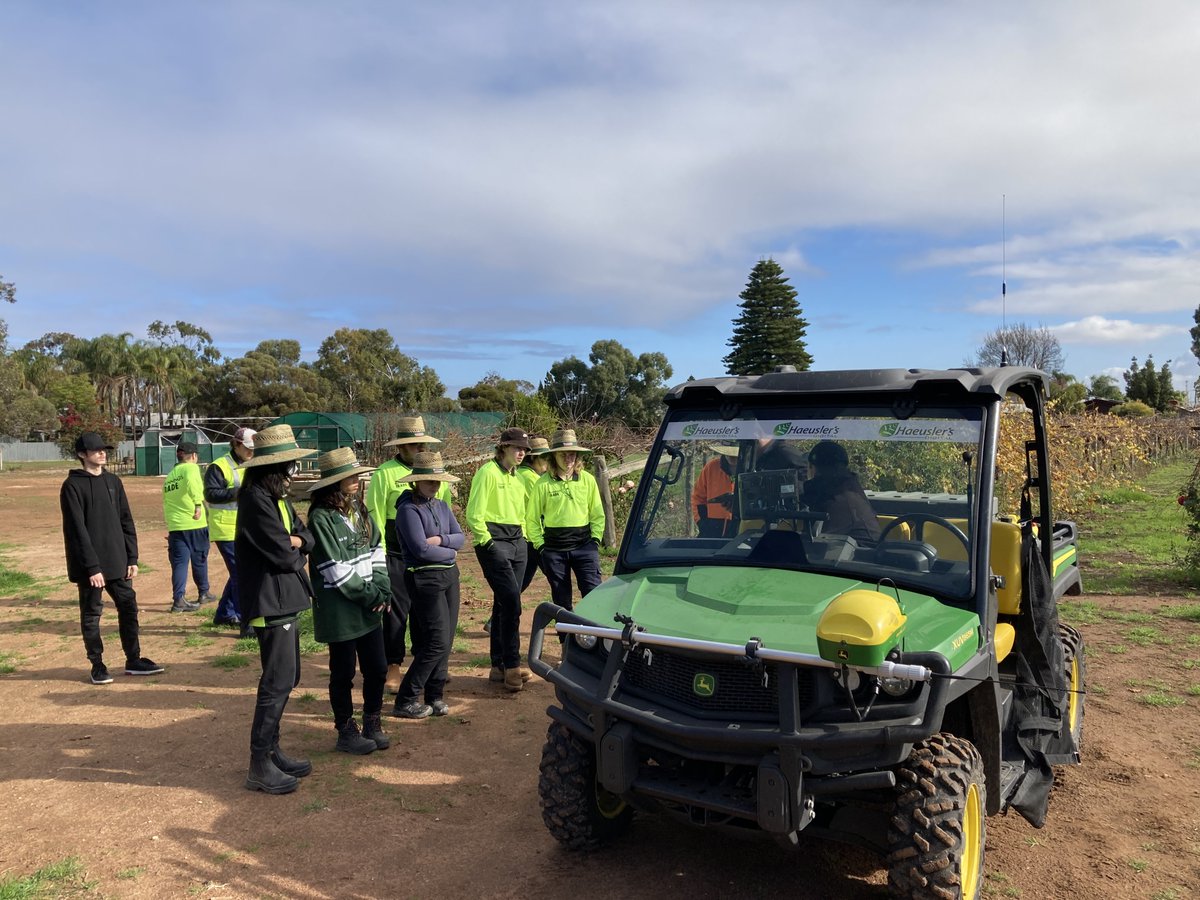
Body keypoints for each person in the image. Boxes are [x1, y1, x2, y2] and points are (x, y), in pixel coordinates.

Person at [236, 424, 317, 795]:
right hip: (270, 600)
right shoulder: (256, 500)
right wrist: (296, 547)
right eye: (289, 465)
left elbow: (306, 537)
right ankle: (259, 763)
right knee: (277, 681)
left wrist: (297, 542)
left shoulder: (276, 498)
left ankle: (272, 750)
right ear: (274, 466)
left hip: (286, 598)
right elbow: (284, 556)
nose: (292, 471)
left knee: (289, 677)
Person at [61, 431, 163, 685]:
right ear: (82, 454)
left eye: (104, 449)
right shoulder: (72, 486)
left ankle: (133, 659)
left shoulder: (113, 481)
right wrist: (92, 567)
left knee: (128, 606)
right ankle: (97, 665)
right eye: (96, 450)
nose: (102, 453)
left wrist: (132, 557)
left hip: (118, 560)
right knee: (92, 614)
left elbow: (126, 520)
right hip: (90, 567)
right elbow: (76, 531)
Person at [306, 447, 391, 754]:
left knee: (377, 668)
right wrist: (372, 596)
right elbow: (335, 569)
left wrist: (382, 587)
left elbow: (377, 548)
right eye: (349, 476)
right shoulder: (320, 518)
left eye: (357, 474)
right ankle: (345, 730)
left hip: (369, 606)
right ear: (333, 482)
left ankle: (372, 721)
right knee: (342, 673)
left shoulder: (358, 509)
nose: (357, 480)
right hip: (341, 610)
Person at [365, 416, 452, 695]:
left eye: (422, 444)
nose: (419, 448)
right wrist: (377, 552)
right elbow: (375, 513)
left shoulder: (435, 472)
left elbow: (445, 511)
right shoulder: (385, 473)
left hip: (428, 555)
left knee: (425, 610)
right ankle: (393, 664)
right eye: (414, 445)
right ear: (401, 446)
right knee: (395, 611)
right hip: (395, 552)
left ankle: (426, 662)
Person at [393, 451, 465, 717]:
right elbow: (420, 550)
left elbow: (460, 538)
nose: (434, 485)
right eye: (429, 480)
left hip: (449, 577)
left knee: (446, 639)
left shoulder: (442, 506)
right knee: (436, 640)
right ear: (416, 481)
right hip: (424, 578)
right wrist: (450, 552)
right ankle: (406, 699)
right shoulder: (408, 510)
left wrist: (441, 541)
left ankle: (435, 695)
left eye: (437, 480)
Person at [466, 428, 531, 692]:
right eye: (517, 448)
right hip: (494, 542)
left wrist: (523, 537)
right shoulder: (487, 473)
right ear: (503, 447)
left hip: (517, 542)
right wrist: (488, 543)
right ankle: (512, 664)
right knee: (512, 603)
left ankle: (498, 666)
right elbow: (474, 513)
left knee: (503, 603)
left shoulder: (518, 478)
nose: (521, 453)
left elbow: (522, 512)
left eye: (524, 449)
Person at [526, 428, 605, 615]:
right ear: (554, 456)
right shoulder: (542, 483)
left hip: (585, 547)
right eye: (563, 454)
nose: (568, 458)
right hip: (554, 550)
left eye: (572, 454)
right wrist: (541, 546)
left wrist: (595, 540)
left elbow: (597, 514)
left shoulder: (587, 480)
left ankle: (596, 633)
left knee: (593, 594)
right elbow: (532, 519)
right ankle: (566, 633)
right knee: (561, 600)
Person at [204, 426, 256, 630]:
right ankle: (246, 622)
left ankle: (224, 614)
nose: (251, 451)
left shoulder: (252, 464)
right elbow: (211, 494)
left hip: (245, 528)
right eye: (248, 447)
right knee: (241, 574)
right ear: (236, 444)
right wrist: (239, 492)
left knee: (238, 572)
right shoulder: (218, 466)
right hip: (225, 529)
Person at [163, 441, 210, 613]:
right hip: (194, 523)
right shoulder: (191, 468)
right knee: (200, 558)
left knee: (179, 564)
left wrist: (171, 523)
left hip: (176, 525)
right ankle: (203, 592)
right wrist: (198, 504)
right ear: (194, 456)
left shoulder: (170, 475)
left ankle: (178, 599)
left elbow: (166, 501)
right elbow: (194, 485)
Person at [803, 441, 881, 545]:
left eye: (809, 467)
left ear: (815, 470)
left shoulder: (836, 499)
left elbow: (817, 544)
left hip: (858, 552)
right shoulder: (848, 488)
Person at [516, 436, 551, 593]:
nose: (547, 463)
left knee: (521, 581)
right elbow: (544, 507)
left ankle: (503, 609)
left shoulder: (520, 473)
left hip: (525, 535)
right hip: (534, 535)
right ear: (533, 459)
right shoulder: (531, 478)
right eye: (544, 458)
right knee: (556, 576)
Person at [691, 444, 739, 538]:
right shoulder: (711, 467)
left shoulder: (754, 469)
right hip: (712, 530)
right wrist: (702, 522)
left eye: (734, 453)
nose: (731, 456)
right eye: (728, 452)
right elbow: (698, 498)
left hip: (742, 529)